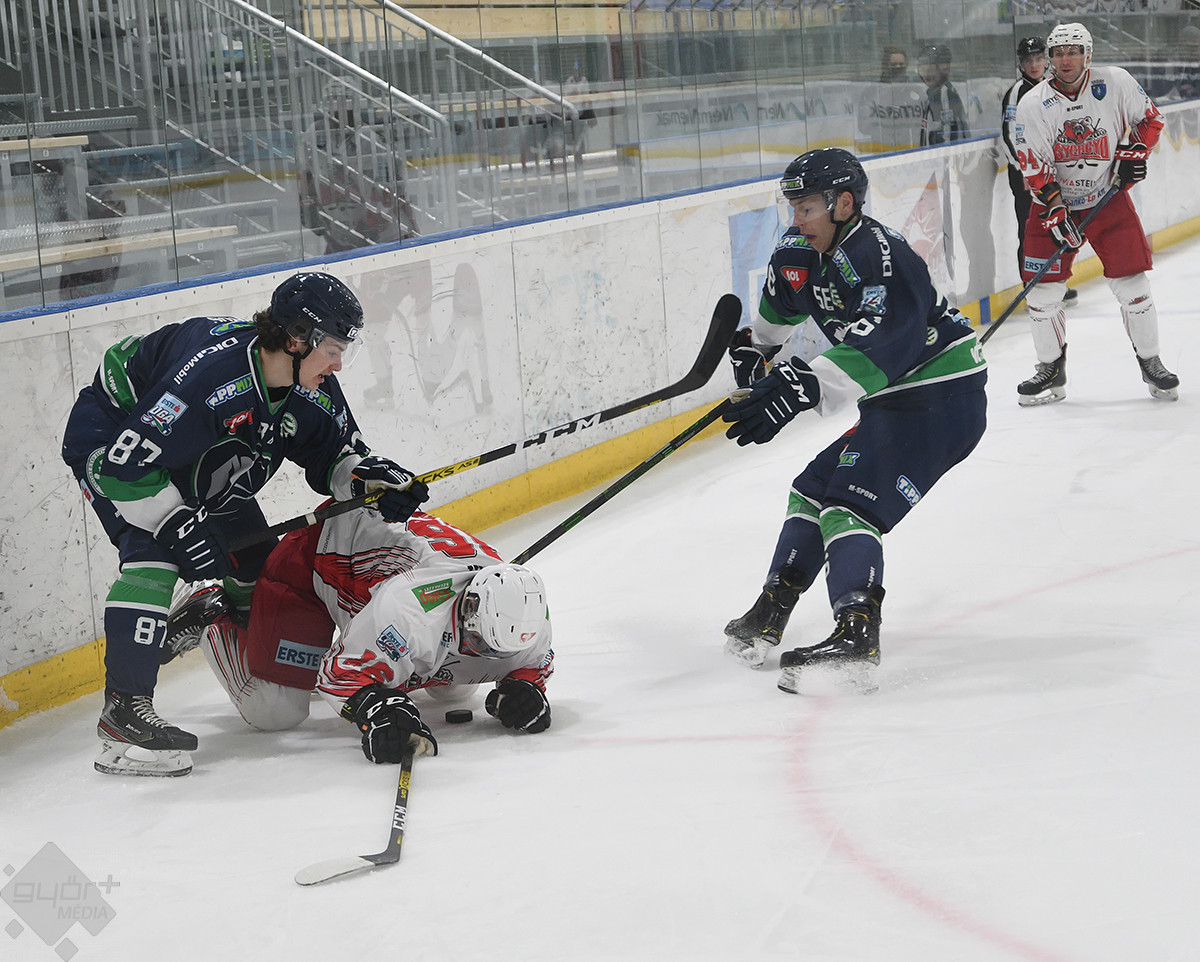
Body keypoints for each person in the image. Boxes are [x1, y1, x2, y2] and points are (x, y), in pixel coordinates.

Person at [60, 271, 431, 777]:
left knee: (254, 564)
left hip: (194, 445)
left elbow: (337, 455)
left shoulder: (309, 384)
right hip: (115, 436)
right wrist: (172, 522)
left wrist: (370, 479)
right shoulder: (206, 381)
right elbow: (121, 468)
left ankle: (212, 614)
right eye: (332, 350)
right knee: (156, 555)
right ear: (297, 339)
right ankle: (123, 713)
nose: (339, 364)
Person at [721, 148, 987, 695]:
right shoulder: (799, 250)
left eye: (808, 207)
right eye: (794, 206)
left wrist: (804, 385)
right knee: (812, 491)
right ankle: (771, 610)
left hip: (941, 397)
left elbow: (884, 343)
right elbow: (781, 307)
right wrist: (758, 349)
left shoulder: (881, 256)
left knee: (850, 504)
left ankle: (856, 636)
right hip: (896, 400)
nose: (798, 218)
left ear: (844, 203)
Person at [165, 506, 553, 761]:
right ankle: (212, 613)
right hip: (314, 563)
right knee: (274, 710)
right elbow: (338, 672)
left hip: (376, 573)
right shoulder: (411, 610)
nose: (480, 653)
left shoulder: (526, 615)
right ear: (469, 607)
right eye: (476, 641)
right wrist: (375, 706)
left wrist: (525, 689)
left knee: (455, 689)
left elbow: (533, 666)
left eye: (491, 650)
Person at [1012, 22, 1178, 405]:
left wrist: (1134, 152)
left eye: (1073, 51)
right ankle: (1050, 369)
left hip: (1107, 198)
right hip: (1053, 203)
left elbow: (1150, 119)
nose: (1065, 59)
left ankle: (1151, 362)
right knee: (1043, 293)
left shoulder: (1114, 82)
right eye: (1058, 53)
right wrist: (1056, 209)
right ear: (1050, 59)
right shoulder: (1033, 104)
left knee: (1133, 285)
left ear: (1088, 55)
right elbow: (1033, 164)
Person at [1001, 37, 1079, 307]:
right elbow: (1009, 135)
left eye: (1038, 59)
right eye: (1028, 60)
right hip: (1025, 175)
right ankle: (1031, 285)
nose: (1034, 65)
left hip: (1052, 172)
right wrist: (1025, 169)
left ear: (1046, 60)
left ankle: (1053, 281)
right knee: (1030, 227)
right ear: (1021, 64)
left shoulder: (1052, 88)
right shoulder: (1017, 92)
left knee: (1056, 224)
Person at [918, 43, 969, 145]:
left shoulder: (945, 94)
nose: (926, 74)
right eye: (922, 69)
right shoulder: (931, 93)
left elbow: (947, 136)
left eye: (930, 69)